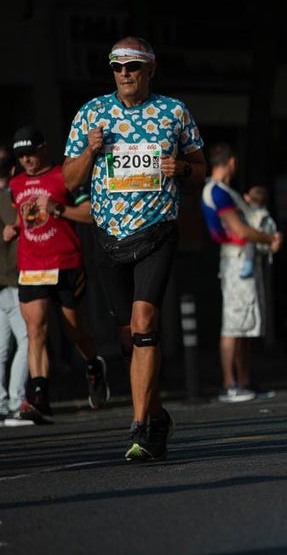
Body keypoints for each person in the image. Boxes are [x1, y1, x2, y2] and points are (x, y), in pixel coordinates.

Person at [63, 36, 206, 460]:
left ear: (150, 69)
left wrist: (181, 168)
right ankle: (156, 413)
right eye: (117, 66)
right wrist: (90, 152)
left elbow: (199, 168)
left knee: (145, 324)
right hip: (109, 236)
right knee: (129, 340)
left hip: (157, 230)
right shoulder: (91, 113)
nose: (125, 73)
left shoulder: (173, 111)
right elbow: (69, 182)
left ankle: (140, 426)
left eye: (133, 66)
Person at [3, 126, 107, 425]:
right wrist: (13, 230)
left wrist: (59, 208)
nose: (27, 160)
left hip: (65, 263)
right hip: (31, 265)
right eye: (21, 155)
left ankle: (92, 365)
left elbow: (91, 213)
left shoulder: (65, 176)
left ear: (43, 148)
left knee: (74, 329)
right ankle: (40, 397)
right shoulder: (16, 183)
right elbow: (25, 218)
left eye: (31, 153)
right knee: (36, 331)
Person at [201, 143, 283, 402]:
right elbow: (240, 230)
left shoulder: (224, 191)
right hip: (236, 261)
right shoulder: (218, 192)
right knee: (233, 325)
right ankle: (230, 383)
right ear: (232, 162)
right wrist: (270, 238)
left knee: (245, 324)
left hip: (243, 259)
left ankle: (244, 380)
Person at [0, 146, 31, 427]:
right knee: (27, 340)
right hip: (13, 277)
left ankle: (2, 404)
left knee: (1, 346)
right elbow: (15, 227)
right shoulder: (9, 196)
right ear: (12, 170)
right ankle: (15, 402)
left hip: (4, 281)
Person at [240, 185, 277, 280]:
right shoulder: (266, 214)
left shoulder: (251, 213)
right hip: (265, 249)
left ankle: (248, 264)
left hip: (254, 246)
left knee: (249, 239)